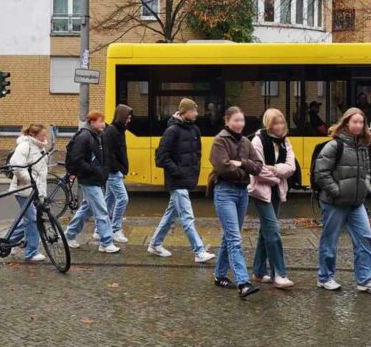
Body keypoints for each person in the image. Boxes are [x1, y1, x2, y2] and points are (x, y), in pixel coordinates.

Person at [313, 107, 371, 294]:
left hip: (356, 203)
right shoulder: (335, 145)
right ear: (346, 123)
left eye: (361, 122)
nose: (358, 125)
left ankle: (366, 280)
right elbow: (321, 172)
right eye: (355, 122)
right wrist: (337, 191)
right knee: (330, 240)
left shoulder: (363, 145)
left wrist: (364, 188)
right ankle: (325, 277)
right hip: (334, 202)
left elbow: (367, 171)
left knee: (366, 238)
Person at [147, 99, 214, 262]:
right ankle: (199, 251)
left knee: (171, 214)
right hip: (177, 181)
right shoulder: (172, 131)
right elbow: (161, 157)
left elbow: (197, 153)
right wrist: (177, 171)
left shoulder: (195, 129)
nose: (197, 113)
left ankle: (155, 244)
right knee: (187, 216)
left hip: (186, 179)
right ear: (185, 112)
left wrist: (193, 170)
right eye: (194, 110)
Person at [210, 107, 263, 297]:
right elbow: (222, 168)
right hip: (225, 192)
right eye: (236, 120)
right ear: (227, 121)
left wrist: (241, 163)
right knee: (234, 237)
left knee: (230, 236)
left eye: (242, 120)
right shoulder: (220, 141)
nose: (240, 124)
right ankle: (243, 282)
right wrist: (244, 169)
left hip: (242, 193)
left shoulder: (246, 142)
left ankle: (219, 275)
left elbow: (258, 167)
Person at [249, 108, 296, 288]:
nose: (279, 126)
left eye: (281, 122)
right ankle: (279, 274)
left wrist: (275, 169)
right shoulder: (258, 141)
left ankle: (259, 272)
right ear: (268, 124)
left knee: (266, 231)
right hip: (261, 192)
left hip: (276, 191)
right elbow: (259, 170)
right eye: (275, 123)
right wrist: (279, 176)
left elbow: (291, 167)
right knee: (273, 231)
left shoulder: (285, 142)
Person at [64, 111, 117, 253]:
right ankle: (106, 242)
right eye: (101, 121)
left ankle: (68, 235)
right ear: (92, 122)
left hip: (94, 178)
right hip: (89, 179)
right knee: (101, 210)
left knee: (86, 210)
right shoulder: (85, 136)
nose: (103, 124)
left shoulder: (94, 135)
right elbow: (78, 159)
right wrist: (95, 171)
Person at [7, 123, 49, 263]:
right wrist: (30, 180)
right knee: (32, 219)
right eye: (42, 135)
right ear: (33, 135)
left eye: (45, 135)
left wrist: (40, 191)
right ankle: (31, 252)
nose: (45, 138)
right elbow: (16, 166)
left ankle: (8, 242)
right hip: (23, 190)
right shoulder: (25, 146)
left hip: (34, 190)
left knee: (29, 219)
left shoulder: (39, 147)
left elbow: (40, 171)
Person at [101, 104, 132, 244]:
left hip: (115, 171)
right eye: (128, 117)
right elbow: (110, 153)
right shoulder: (112, 131)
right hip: (113, 172)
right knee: (123, 199)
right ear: (123, 117)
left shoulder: (119, 130)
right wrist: (116, 169)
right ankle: (115, 229)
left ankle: (100, 229)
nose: (129, 120)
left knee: (109, 200)